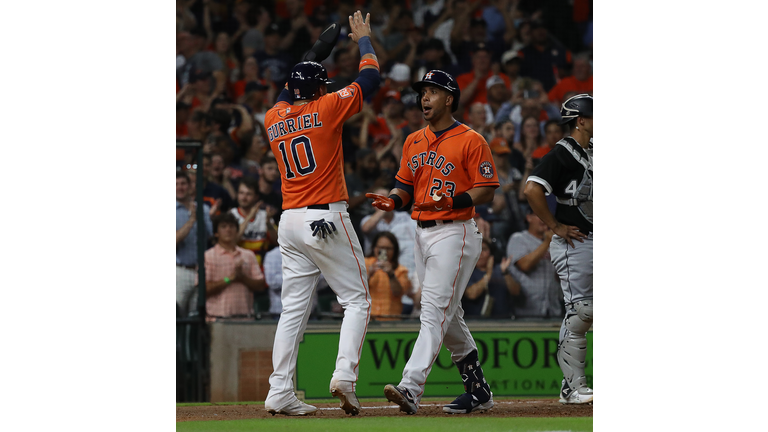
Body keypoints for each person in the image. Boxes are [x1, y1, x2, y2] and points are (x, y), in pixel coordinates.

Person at [263, 10, 381, 417]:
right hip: (324, 217)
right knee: (357, 301)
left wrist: (318, 50)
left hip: (289, 221)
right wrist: (363, 40)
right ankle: (344, 376)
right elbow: (371, 79)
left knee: (293, 309)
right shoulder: (328, 106)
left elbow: (287, 89)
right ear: (318, 89)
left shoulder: (273, 117)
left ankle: (279, 390)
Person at [366, 69, 499, 415]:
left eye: (433, 92)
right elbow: (405, 184)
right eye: (423, 92)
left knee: (433, 311)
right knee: (447, 313)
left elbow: (486, 190)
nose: (425, 98)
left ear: (450, 98)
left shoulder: (471, 139)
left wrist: (452, 201)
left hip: (455, 231)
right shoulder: (413, 140)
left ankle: (410, 387)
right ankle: (477, 388)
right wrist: (393, 201)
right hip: (422, 232)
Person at [523, 94, 593, 405]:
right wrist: (555, 225)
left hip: (593, 239)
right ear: (581, 120)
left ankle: (571, 385)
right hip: (574, 242)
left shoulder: (592, 151)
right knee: (580, 311)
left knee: (587, 311)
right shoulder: (564, 152)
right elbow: (532, 188)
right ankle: (572, 385)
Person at [203, 213, 266, 320]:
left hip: (245, 318)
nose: (228, 230)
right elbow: (203, 289)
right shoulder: (208, 256)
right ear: (216, 233)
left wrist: (242, 278)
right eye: (223, 227)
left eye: (232, 226)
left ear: (237, 231)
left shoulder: (248, 255)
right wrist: (229, 279)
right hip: (217, 318)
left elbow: (261, 285)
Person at [505, 207, 563, 318]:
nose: (543, 219)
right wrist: (547, 242)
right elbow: (524, 265)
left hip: (553, 309)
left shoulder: (557, 243)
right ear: (529, 217)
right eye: (538, 215)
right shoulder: (519, 239)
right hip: (526, 311)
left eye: (546, 216)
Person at [176, 171, 212, 317]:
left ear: (190, 186)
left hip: (201, 270)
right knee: (176, 314)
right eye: (176, 184)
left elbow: (209, 236)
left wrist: (201, 216)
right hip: (179, 270)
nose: (180, 187)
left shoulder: (202, 209)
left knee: (196, 316)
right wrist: (191, 221)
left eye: (183, 183)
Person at [462, 238, 518, 318]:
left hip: (504, 323)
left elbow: (516, 292)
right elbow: (471, 294)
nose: (480, 253)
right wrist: (488, 275)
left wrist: (505, 273)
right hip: (475, 324)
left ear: (491, 253)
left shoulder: (502, 269)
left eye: (484, 249)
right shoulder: (467, 272)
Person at [230, 177, 278, 266]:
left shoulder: (264, 216)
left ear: (256, 197)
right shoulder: (231, 215)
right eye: (241, 193)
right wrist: (249, 217)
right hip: (239, 265)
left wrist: (268, 223)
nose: (244, 197)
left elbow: (277, 242)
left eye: (248, 194)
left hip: (261, 266)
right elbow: (232, 241)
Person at [365, 232, 411, 321]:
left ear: (394, 250)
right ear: (374, 248)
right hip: (368, 319)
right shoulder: (365, 264)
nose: (384, 252)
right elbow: (356, 289)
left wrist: (391, 274)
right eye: (381, 248)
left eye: (388, 248)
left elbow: (398, 292)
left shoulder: (401, 270)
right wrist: (369, 275)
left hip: (390, 321)